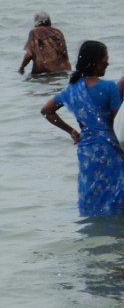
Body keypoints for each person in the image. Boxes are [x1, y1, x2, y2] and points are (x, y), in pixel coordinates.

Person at [41, 40, 124, 216]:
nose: (107, 63)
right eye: (105, 59)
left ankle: (92, 226)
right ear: (95, 62)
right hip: (109, 149)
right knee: (115, 194)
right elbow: (118, 122)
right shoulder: (109, 88)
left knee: (91, 193)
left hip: (86, 149)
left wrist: (72, 131)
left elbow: (47, 111)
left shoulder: (71, 90)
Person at [18, 11, 71, 75]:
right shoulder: (58, 32)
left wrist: (22, 67)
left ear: (36, 22)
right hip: (63, 70)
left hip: (44, 72)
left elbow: (28, 55)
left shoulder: (34, 32)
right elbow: (64, 53)